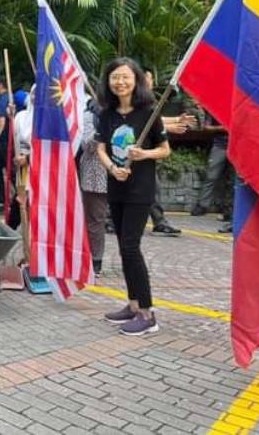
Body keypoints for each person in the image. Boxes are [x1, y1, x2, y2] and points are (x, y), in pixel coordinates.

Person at [96, 58, 171, 336]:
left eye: (125, 77)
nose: (120, 82)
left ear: (136, 80)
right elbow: (101, 148)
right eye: (115, 77)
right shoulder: (107, 113)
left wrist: (144, 154)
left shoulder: (150, 112)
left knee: (130, 247)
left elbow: (165, 150)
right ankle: (132, 304)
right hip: (116, 186)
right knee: (124, 247)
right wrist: (112, 168)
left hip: (140, 189)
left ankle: (148, 314)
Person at [142, 70, 187, 237]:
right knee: (148, 186)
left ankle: (159, 221)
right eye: (144, 78)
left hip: (148, 152)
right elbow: (144, 122)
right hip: (134, 151)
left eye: (150, 78)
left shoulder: (148, 99)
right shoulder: (134, 99)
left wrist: (176, 120)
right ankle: (111, 218)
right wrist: (171, 126)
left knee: (152, 186)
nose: (148, 81)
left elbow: (155, 119)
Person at [0, 78, 28, 229]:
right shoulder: (11, 101)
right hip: (10, 142)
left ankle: (8, 198)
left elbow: (1, 122)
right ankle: (2, 199)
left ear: (0, 85)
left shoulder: (3, 99)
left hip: (7, 143)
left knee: (12, 173)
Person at [78, 94, 109, 276]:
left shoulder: (122, 113)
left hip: (120, 172)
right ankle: (95, 259)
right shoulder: (89, 116)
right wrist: (101, 129)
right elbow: (86, 145)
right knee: (95, 219)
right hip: (95, 173)